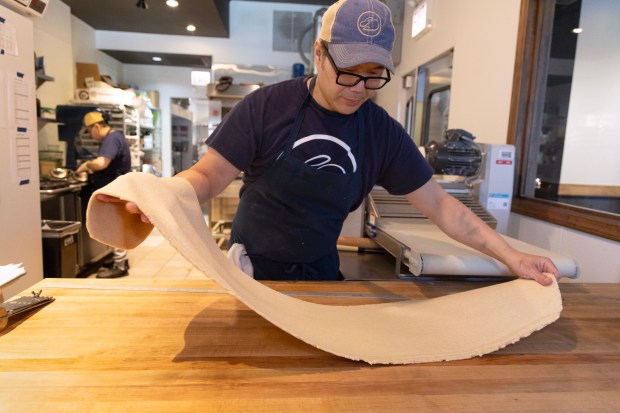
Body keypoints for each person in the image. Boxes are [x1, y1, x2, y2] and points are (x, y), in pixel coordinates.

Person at [104, 0, 559, 285]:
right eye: (347, 71)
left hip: (321, 271)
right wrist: (168, 195)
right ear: (319, 54)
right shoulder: (266, 107)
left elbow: (445, 209)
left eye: (372, 75)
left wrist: (514, 257)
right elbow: (207, 176)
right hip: (251, 272)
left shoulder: (380, 131)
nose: (358, 88)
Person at [77, 111, 131, 278]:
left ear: (97, 126)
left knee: (115, 225)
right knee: (116, 224)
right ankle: (120, 259)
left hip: (114, 189)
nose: (91, 136)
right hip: (115, 187)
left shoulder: (111, 139)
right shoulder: (115, 137)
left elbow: (102, 163)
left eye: (89, 131)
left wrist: (87, 165)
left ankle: (120, 265)